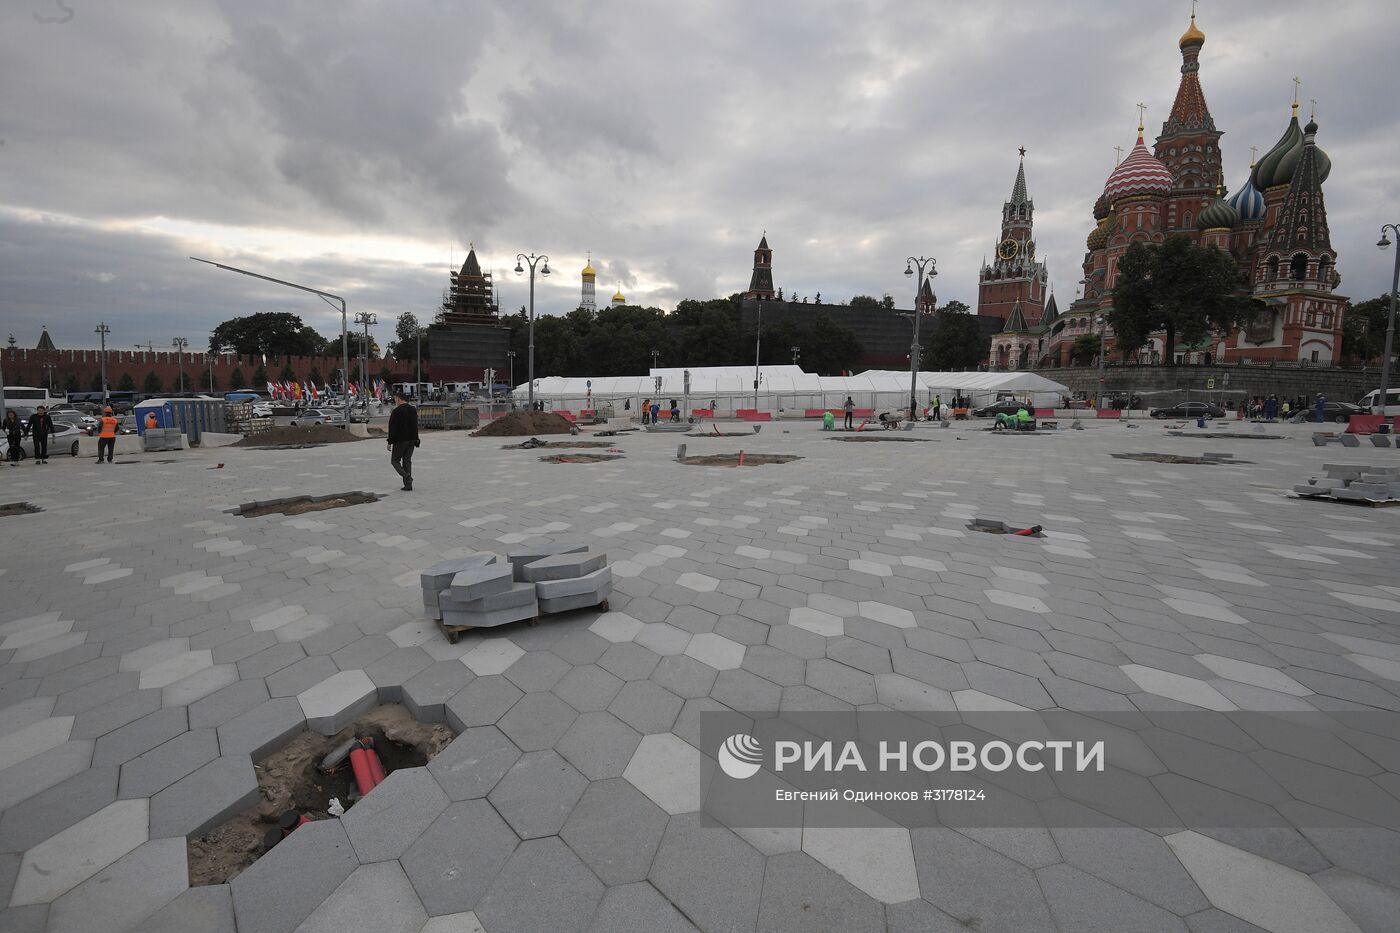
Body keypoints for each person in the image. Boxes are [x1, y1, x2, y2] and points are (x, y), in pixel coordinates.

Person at [387, 390, 420, 491]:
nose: (395, 401)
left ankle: (407, 477)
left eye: (395, 399)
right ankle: (408, 485)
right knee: (407, 461)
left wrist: (390, 442)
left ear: (399, 399)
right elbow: (415, 426)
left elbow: (392, 428)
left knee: (394, 461)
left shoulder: (397, 411)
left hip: (400, 440)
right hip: (412, 440)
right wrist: (416, 439)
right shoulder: (413, 410)